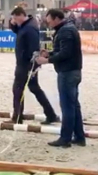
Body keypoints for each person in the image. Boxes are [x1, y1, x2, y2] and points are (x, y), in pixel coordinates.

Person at [35, 9, 84, 148]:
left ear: (57, 18)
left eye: (49, 19)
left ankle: (65, 138)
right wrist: (49, 53)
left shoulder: (65, 31)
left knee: (67, 106)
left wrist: (47, 60)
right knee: (74, 105)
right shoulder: (68, 28)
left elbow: (66, 53)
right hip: (73, 71)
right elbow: (64, 51)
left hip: (67, 72)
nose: (48, 22)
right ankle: (79, 136)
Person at [9, 7, 58, 125]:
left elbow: (33, 47)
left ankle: (17, 117)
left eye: (15, 18)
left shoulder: (30, 28)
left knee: (18, 89)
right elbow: (18, 32)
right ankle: (50, 114)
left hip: (26, 64)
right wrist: (12, 25)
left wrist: (32, 64)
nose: (15, 20)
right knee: (34, 88)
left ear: (21, 15)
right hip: (25, 63)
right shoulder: (25, 25)